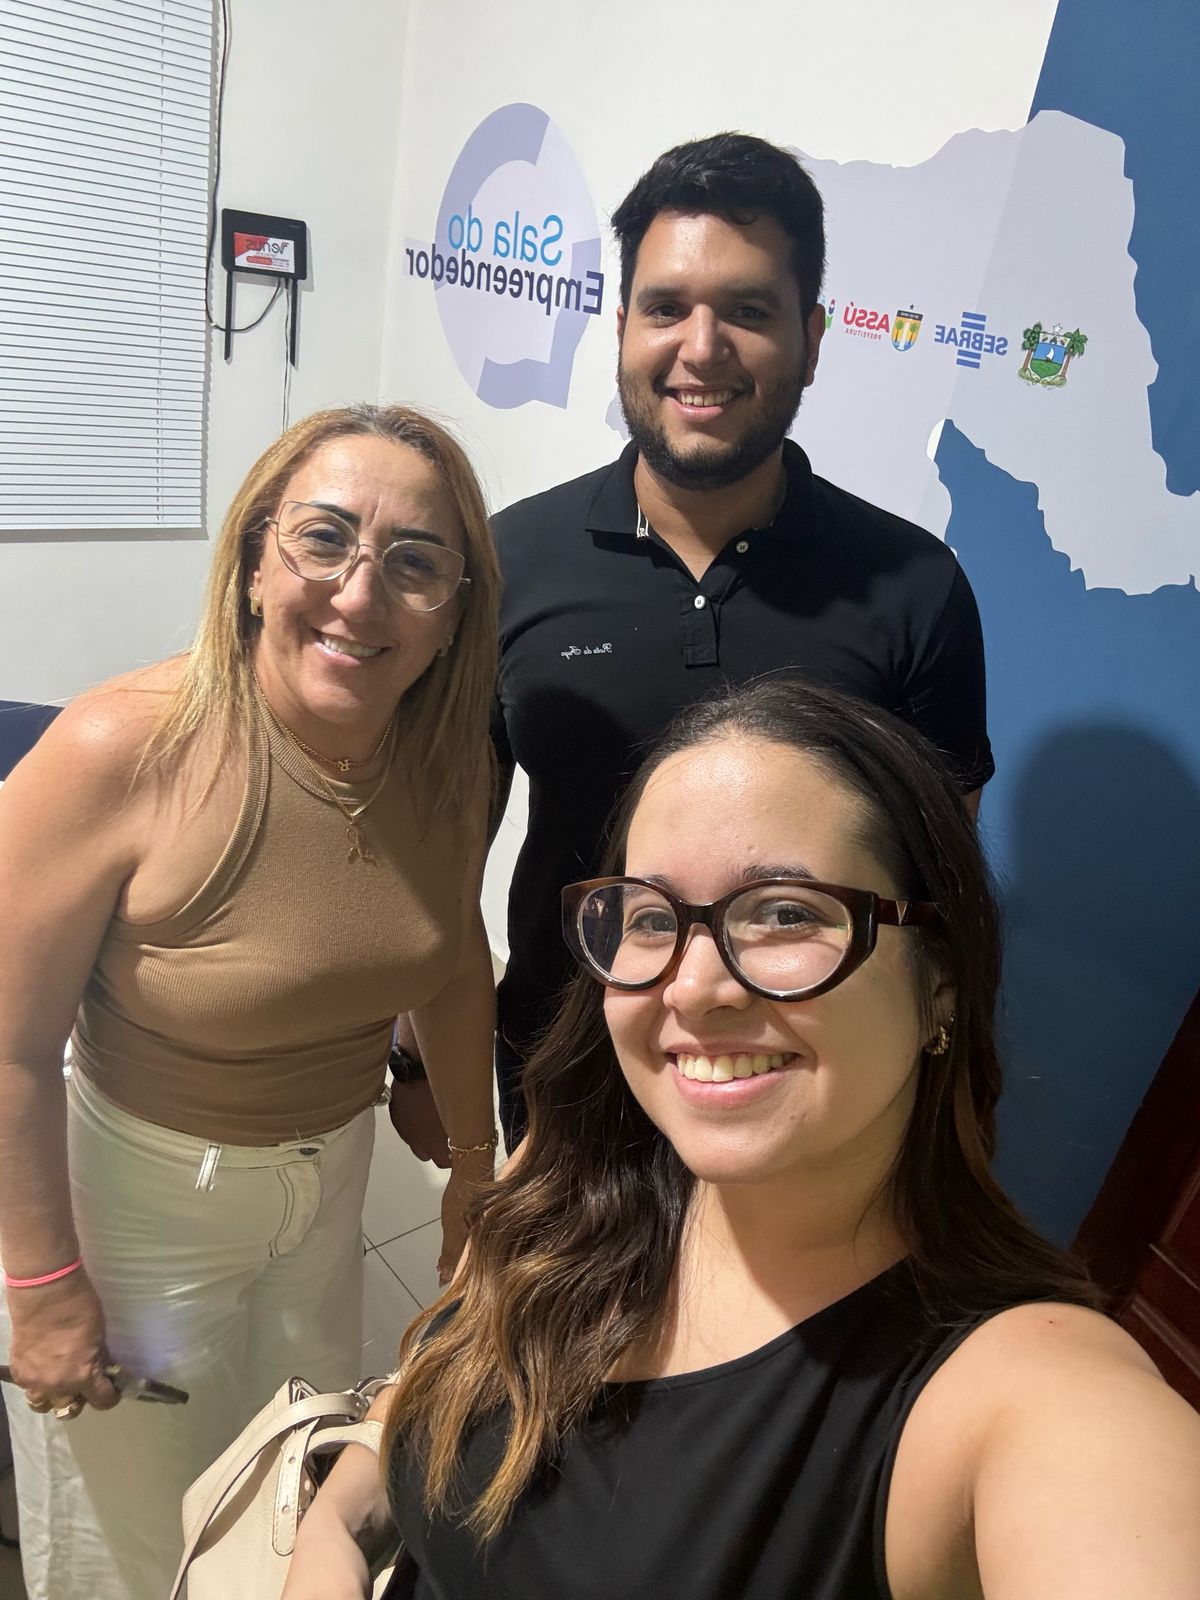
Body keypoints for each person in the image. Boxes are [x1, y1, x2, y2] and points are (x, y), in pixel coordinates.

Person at [282, 680, 1200, 1600]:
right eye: (651, 918)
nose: (692, 987)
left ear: (941, 981)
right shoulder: (567, 1176)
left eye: (786, 912)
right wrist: (336, 1531)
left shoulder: (1015, 1395)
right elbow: (435, 1392)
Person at [0, 403, 501, 1600]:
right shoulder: (119, 749)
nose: (360, 594)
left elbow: (449, 958)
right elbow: (9, 1048)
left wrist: (476, 1163)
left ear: (455, 609)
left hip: (327, 1184)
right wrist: (42, 1289)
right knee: (133, 1545)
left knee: (284, 1482)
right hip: (142, 1208)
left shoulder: (453, 761)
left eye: (415, 562)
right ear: (256, 561)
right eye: (323, 538)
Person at [484, 132, 995, 1147]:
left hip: (792, 1085)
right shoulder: (511, 561)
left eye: (749, 311)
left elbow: (937, 892)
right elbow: (442, 852)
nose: (702, 346)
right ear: (622, 326)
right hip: (562, 1079)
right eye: (666, 307)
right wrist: (423, 1057)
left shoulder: (914, 587)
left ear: (811, 337)